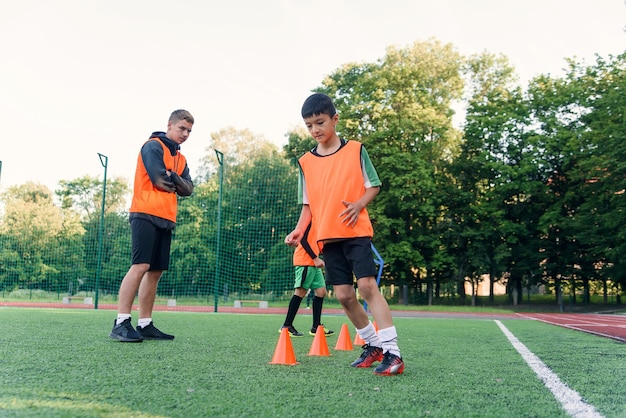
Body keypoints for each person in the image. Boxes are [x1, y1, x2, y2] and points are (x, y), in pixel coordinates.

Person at [285, 93, 404, 376]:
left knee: (366, 287)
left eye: (320, 122)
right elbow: (308, 204)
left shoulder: (356, 150)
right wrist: (300, 230)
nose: (315, 130)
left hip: (355, 232)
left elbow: (373, 185)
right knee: (343, 296)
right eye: (309, 125)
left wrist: (359, 204)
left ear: (334, 119)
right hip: (327, 237)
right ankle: (374, 347)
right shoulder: (305, 162)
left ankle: (394, 353)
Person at [109, 109, 195, 343]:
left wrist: (174, 178)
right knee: (140, 265)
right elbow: (159, 179)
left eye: (189, 131)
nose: (185, 134)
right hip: (144, 213)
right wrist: (176, 180)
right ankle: (121, 322)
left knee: (155, 271)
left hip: (166, 218)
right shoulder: (152, 146)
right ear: (170, 125)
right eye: (181, 129)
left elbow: (188, 189)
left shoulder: (181, 158)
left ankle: (145, 323)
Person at [279, 221, 334, 338]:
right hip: (305, 261)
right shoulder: (310, 219)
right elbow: (302, 239)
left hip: (313, 262)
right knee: (300, 292)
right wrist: (315, 258)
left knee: (321, 291)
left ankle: (316, 327)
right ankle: (287, 325)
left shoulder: (321, 219)